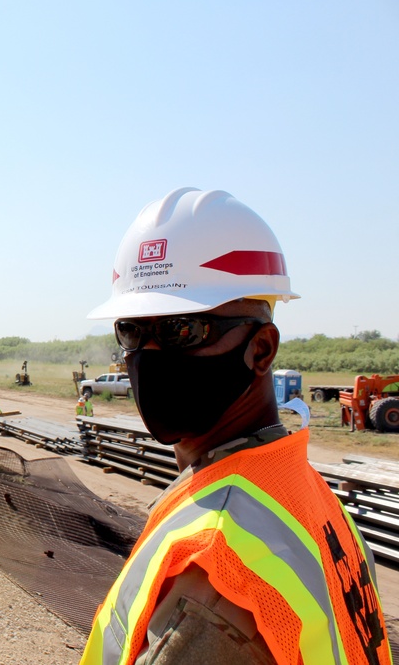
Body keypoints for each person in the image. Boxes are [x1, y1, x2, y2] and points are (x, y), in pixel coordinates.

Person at [81, 188, 390, 664]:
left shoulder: (216, 564)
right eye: (133, 330)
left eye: (182, 330)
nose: (149, 355)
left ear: (261, 350)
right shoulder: (303, 494)